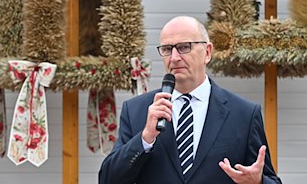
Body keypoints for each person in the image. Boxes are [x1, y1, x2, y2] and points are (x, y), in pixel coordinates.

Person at [98, 16, 282, 184]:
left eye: (184, 47)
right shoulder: (137, 110)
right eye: (167, 49)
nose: (175, 58)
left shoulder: (244, 114)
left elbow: (271, 180)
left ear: (207, 52)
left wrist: (258, 182)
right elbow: (108, 179)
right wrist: (145, 138)